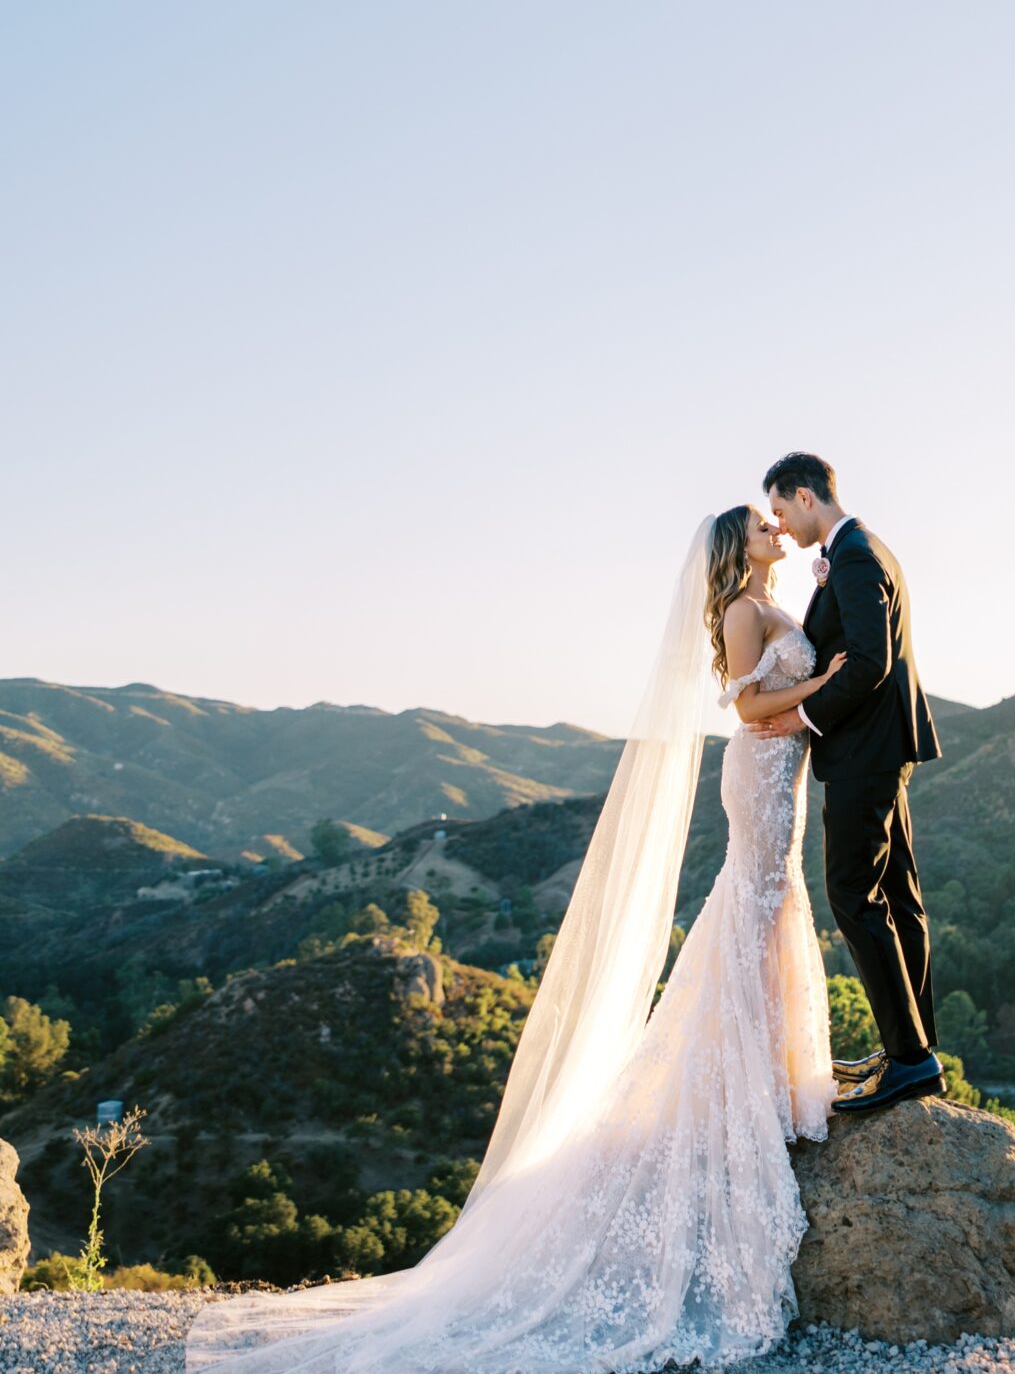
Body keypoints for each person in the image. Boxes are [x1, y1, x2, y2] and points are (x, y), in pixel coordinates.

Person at [186, 508, 843, 1374]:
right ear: (735, 546)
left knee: (770, 904)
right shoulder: (738, 609)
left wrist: (818, 614)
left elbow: (778, 669)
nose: (771, 525)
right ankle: (741, 1066)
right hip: (758, 772)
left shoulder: (771, 596)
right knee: (753, 905)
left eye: (773, 517)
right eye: (759, 522)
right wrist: (818, 685)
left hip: (781, 776)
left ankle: (764, 1060)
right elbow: (751, 701)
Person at [758, 451, 944, 1115]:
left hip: (865, 749)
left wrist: (801, 716)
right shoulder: (862, 551)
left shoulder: (858, 556)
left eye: (781, 510)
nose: (779, 524)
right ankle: (912, 1048)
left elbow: (869, 661)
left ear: (805, 496)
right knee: (897, 895)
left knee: (852, 895)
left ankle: (911, 1059)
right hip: (881, 747)